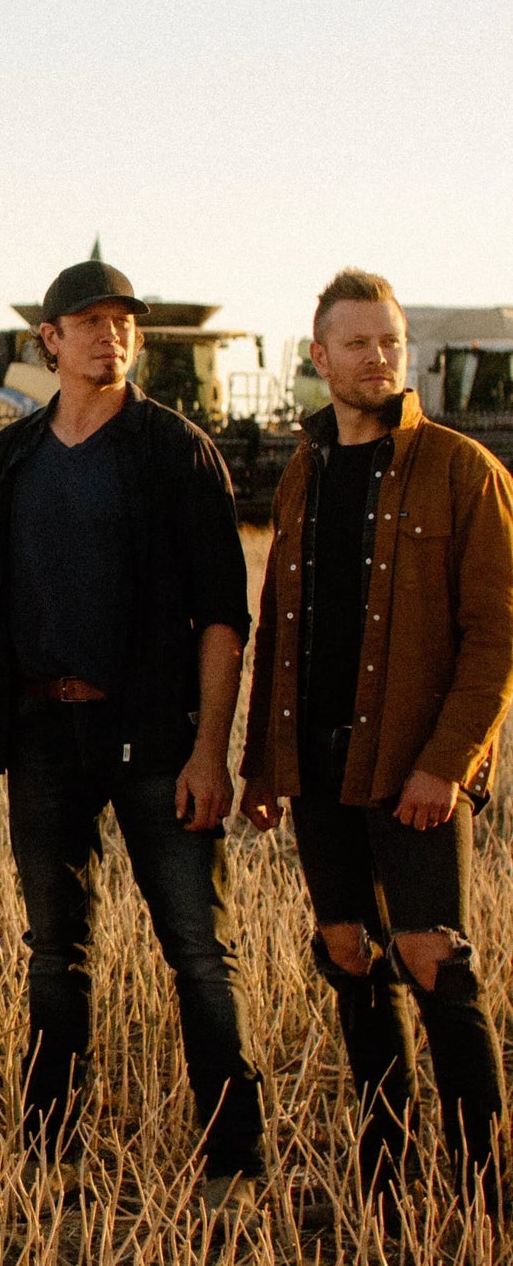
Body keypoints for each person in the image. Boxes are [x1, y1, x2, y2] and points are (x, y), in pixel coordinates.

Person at [0, 257, 264, 1211]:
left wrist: (209, 751)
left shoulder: (175, 449)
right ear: (48, 340)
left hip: (155, 738)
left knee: (198, 953)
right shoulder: (11, 456)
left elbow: (223, 614)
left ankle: (230, 1162)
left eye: (122, 321)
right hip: (44, 731)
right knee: (54, 953)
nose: (110, 334)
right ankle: (54, 1150)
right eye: (88, 321)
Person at [241, 269, 512, 1215]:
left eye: (389, 341)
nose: (377, 357)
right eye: (356, 343)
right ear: (320, 358)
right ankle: (389, 1180)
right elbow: (280, 624)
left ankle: (485, 1189)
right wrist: (264, 768)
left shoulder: (461, 468)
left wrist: (449, 762)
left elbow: (498, 633)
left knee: (435, 957)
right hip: (317, 765)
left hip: (415, 766)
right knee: (350, 954)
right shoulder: (305, 470)